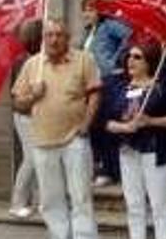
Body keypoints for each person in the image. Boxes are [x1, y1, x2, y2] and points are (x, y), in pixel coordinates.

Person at [10, 19, 101, 239]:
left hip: (74, 139)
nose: (54, 39)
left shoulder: (84, 59)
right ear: (43, 39)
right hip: (42, 141)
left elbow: (95, 94)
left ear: (67, 38)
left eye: (59, 34)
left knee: (80, 196)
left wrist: (86, 124)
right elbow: (17, 103)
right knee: (51, 199)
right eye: (49, 35)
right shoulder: (33, 64)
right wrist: (33, 96)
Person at [104, 44, 166, 239]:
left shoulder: (161, 87)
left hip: (154, 150)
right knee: (134, 204)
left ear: (149, 62)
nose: (131, 60)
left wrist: (150, 120)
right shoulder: (120, 87)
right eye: (129, 56)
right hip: (128, 151)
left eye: (137, 57)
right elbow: (107, 121)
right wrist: (124, 127)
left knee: (158, 204)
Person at [79, 0, 131, 188]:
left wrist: (116, 60)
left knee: (105, 125)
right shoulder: (88, 32)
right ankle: (101, 167)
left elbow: (129, 35)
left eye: (91, 9)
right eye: (85, 9)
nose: (87, 13)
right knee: (94, 126)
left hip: (108, 79)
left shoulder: (109, 25)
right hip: (91, 82)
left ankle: (110, 170)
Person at [9, 19, 44, 219]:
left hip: (37, 115)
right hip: (25, 116)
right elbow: (18, 94)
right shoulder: (23, 61)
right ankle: (17, 203)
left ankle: (39, 201)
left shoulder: (38, 60)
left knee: (40, 158)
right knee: (31, 158)